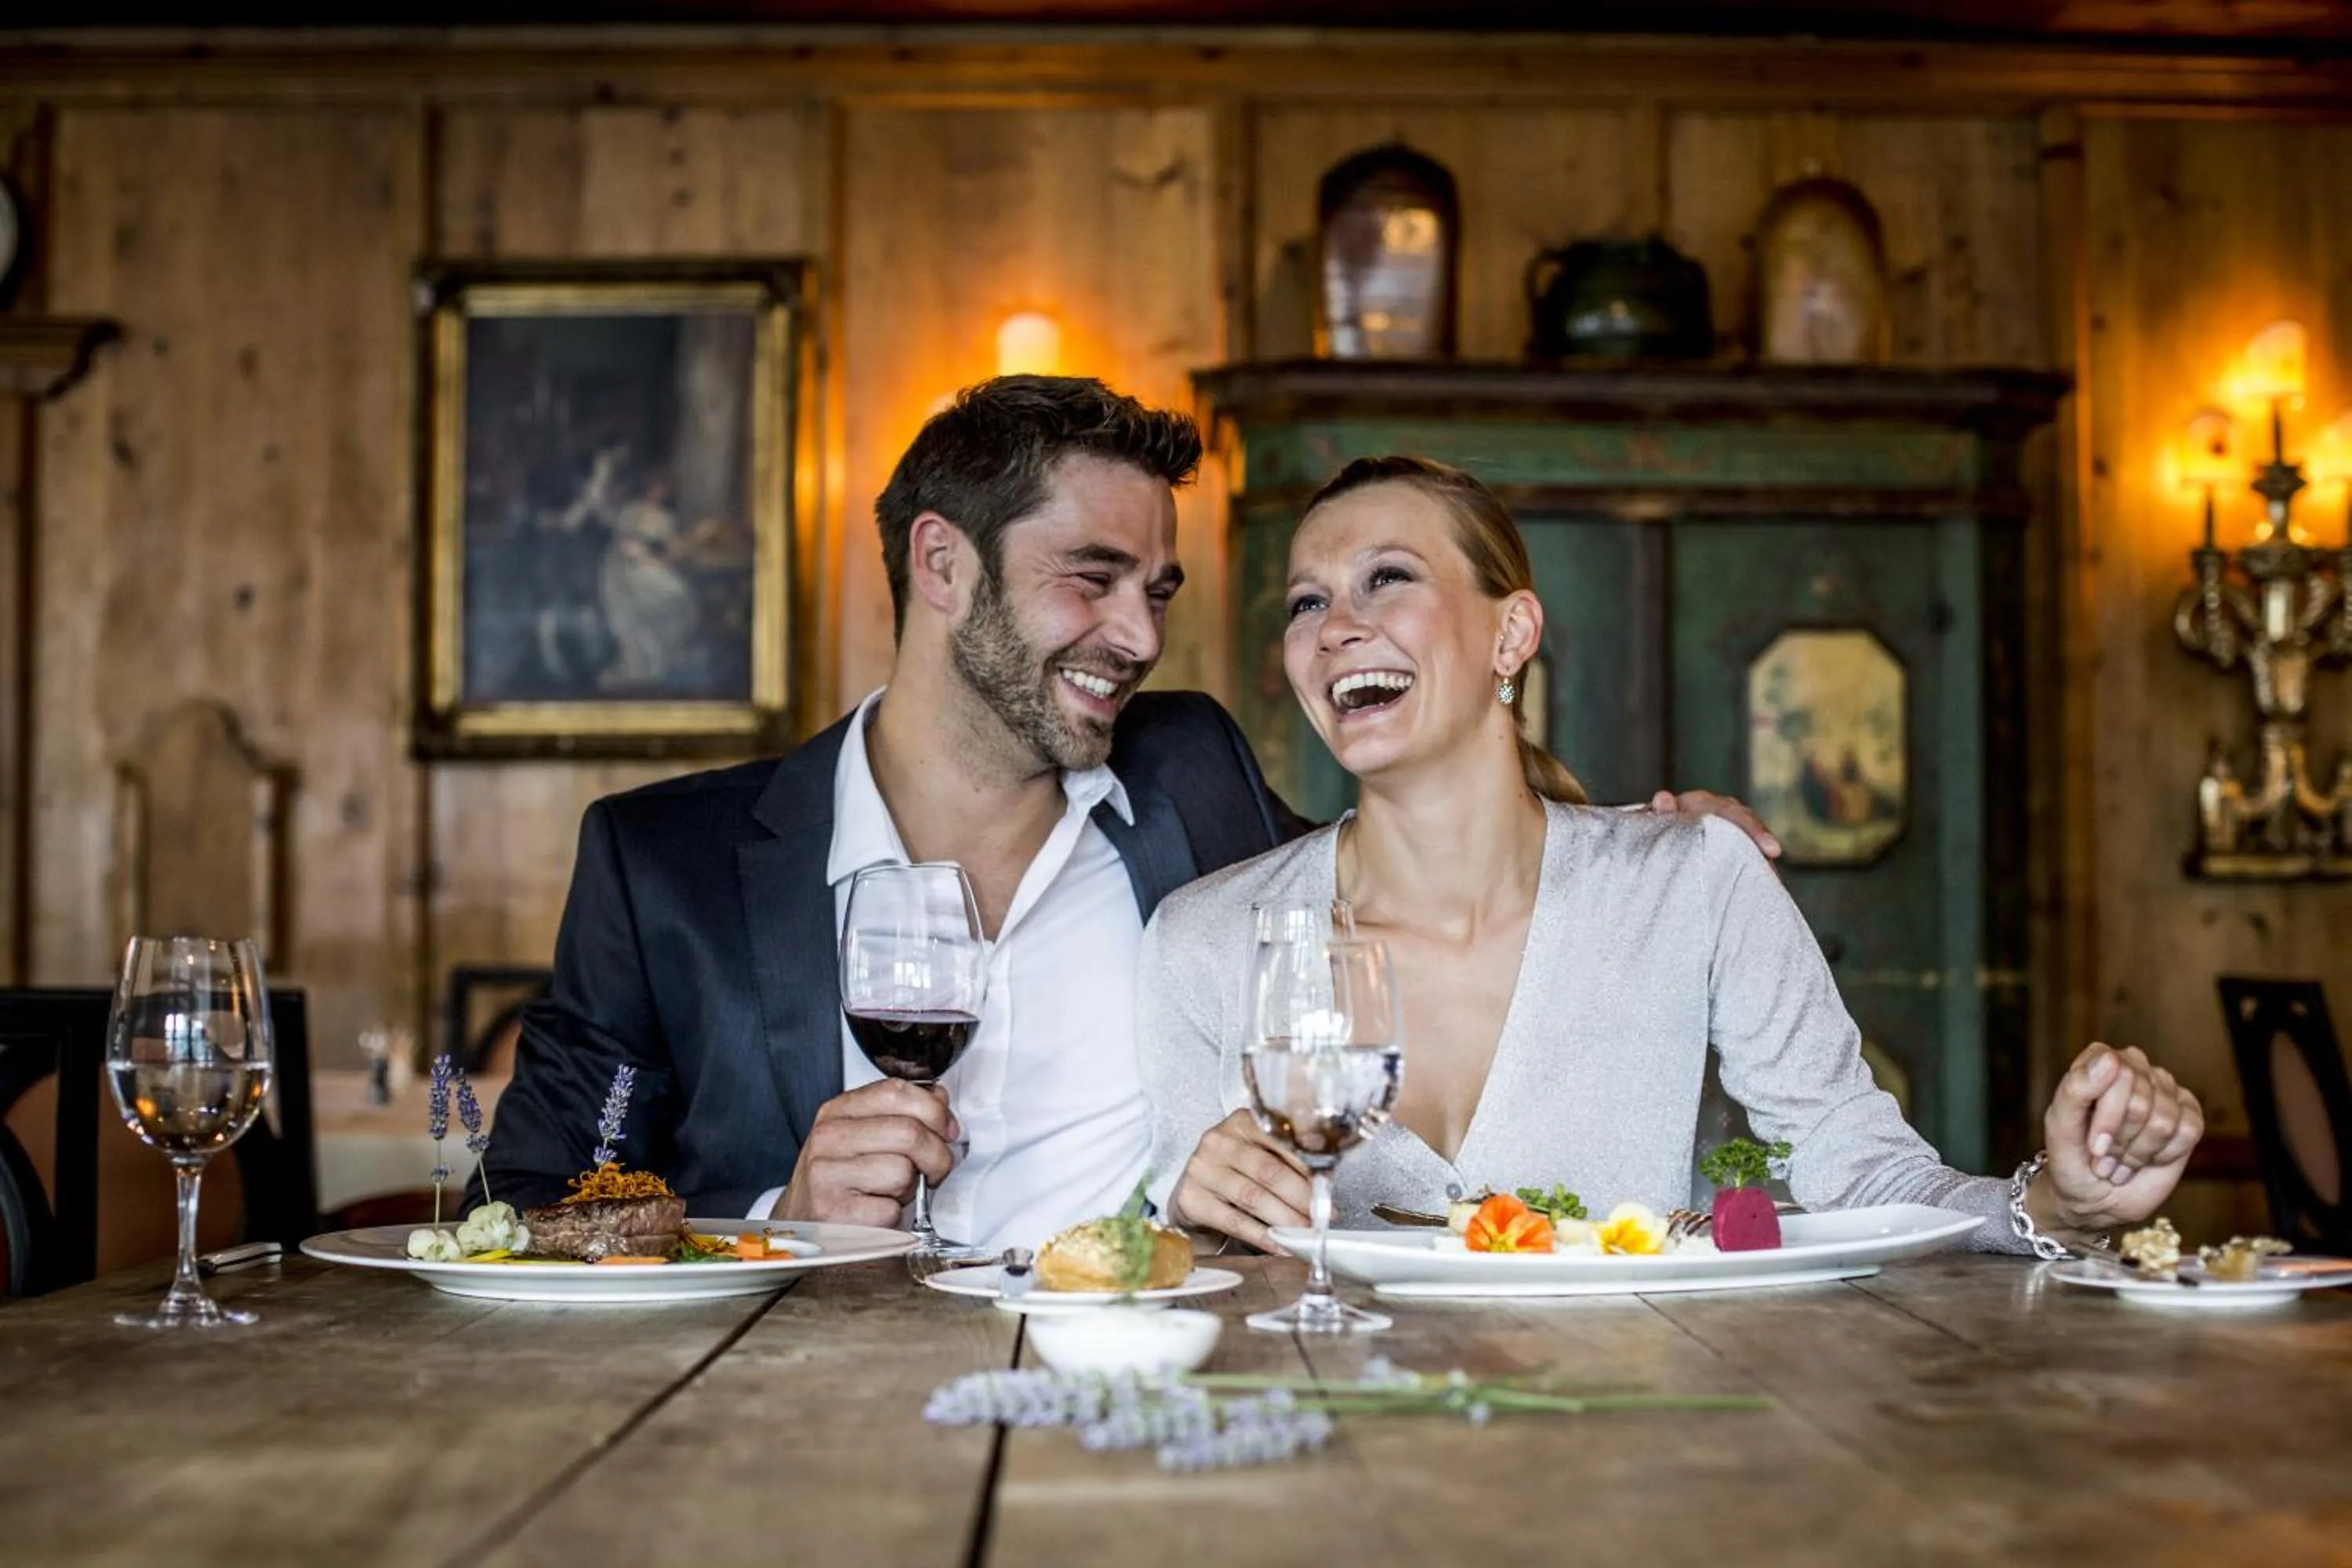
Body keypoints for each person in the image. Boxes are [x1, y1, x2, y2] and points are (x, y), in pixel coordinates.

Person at [477, 380, 1775, 1253]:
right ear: (942, 564)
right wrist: (774, 1217)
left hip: (1167, 1414)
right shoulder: (667, 866)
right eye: (1091, 581)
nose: (1141, 636)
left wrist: (1643, 848)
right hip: (820, 1441)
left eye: (1157, 589)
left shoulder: (1189, 773)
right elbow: (525, 1216)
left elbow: (1413, 862)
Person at [1141, 456, 2201, 1257]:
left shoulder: (1697, 880)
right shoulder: (1206, 940)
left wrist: (2055, 1204)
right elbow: (1191, 1261)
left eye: (1387, 579)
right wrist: (1191, 1204)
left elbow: (1862, 1174)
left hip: (1658, 1449)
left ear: (1512, 637)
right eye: (1307, 602)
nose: (1337, 627)